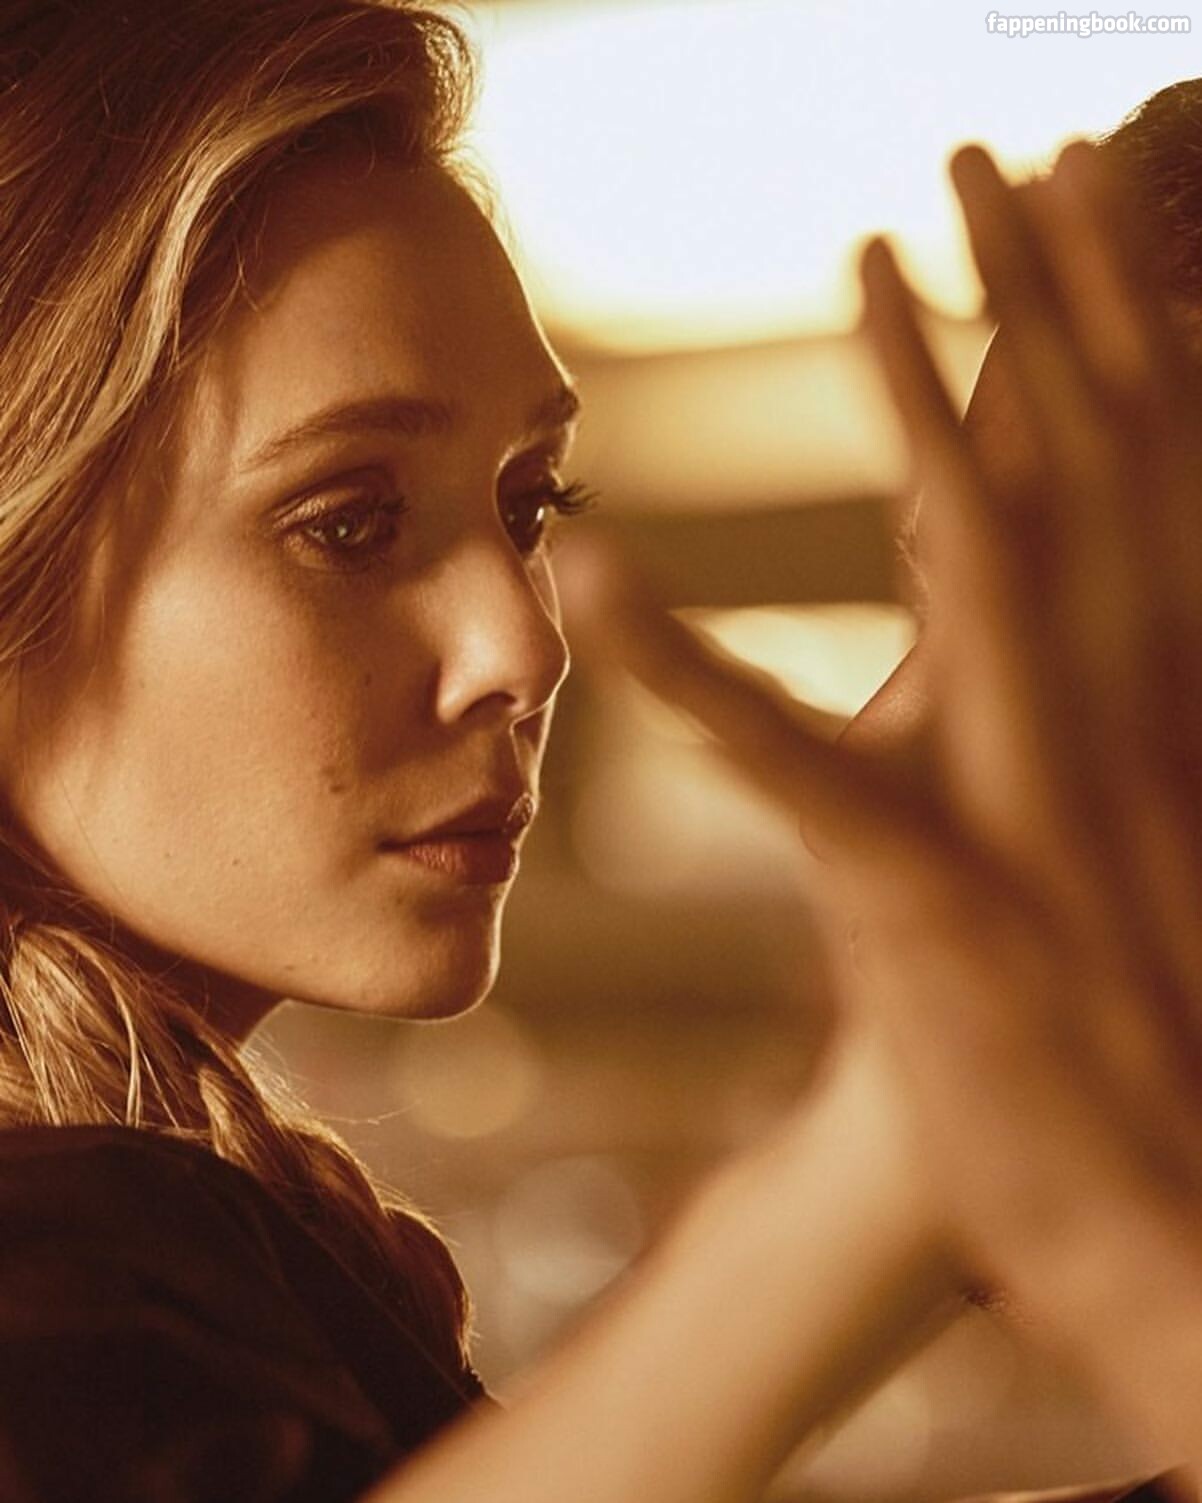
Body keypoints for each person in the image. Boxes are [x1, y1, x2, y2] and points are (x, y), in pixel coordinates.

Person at [0, 0, 1195, 1499]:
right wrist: (913, 1132)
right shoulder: (59, 1277)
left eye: (529, 505)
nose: (527, 644)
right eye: (349, 523)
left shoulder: (234, 1266)